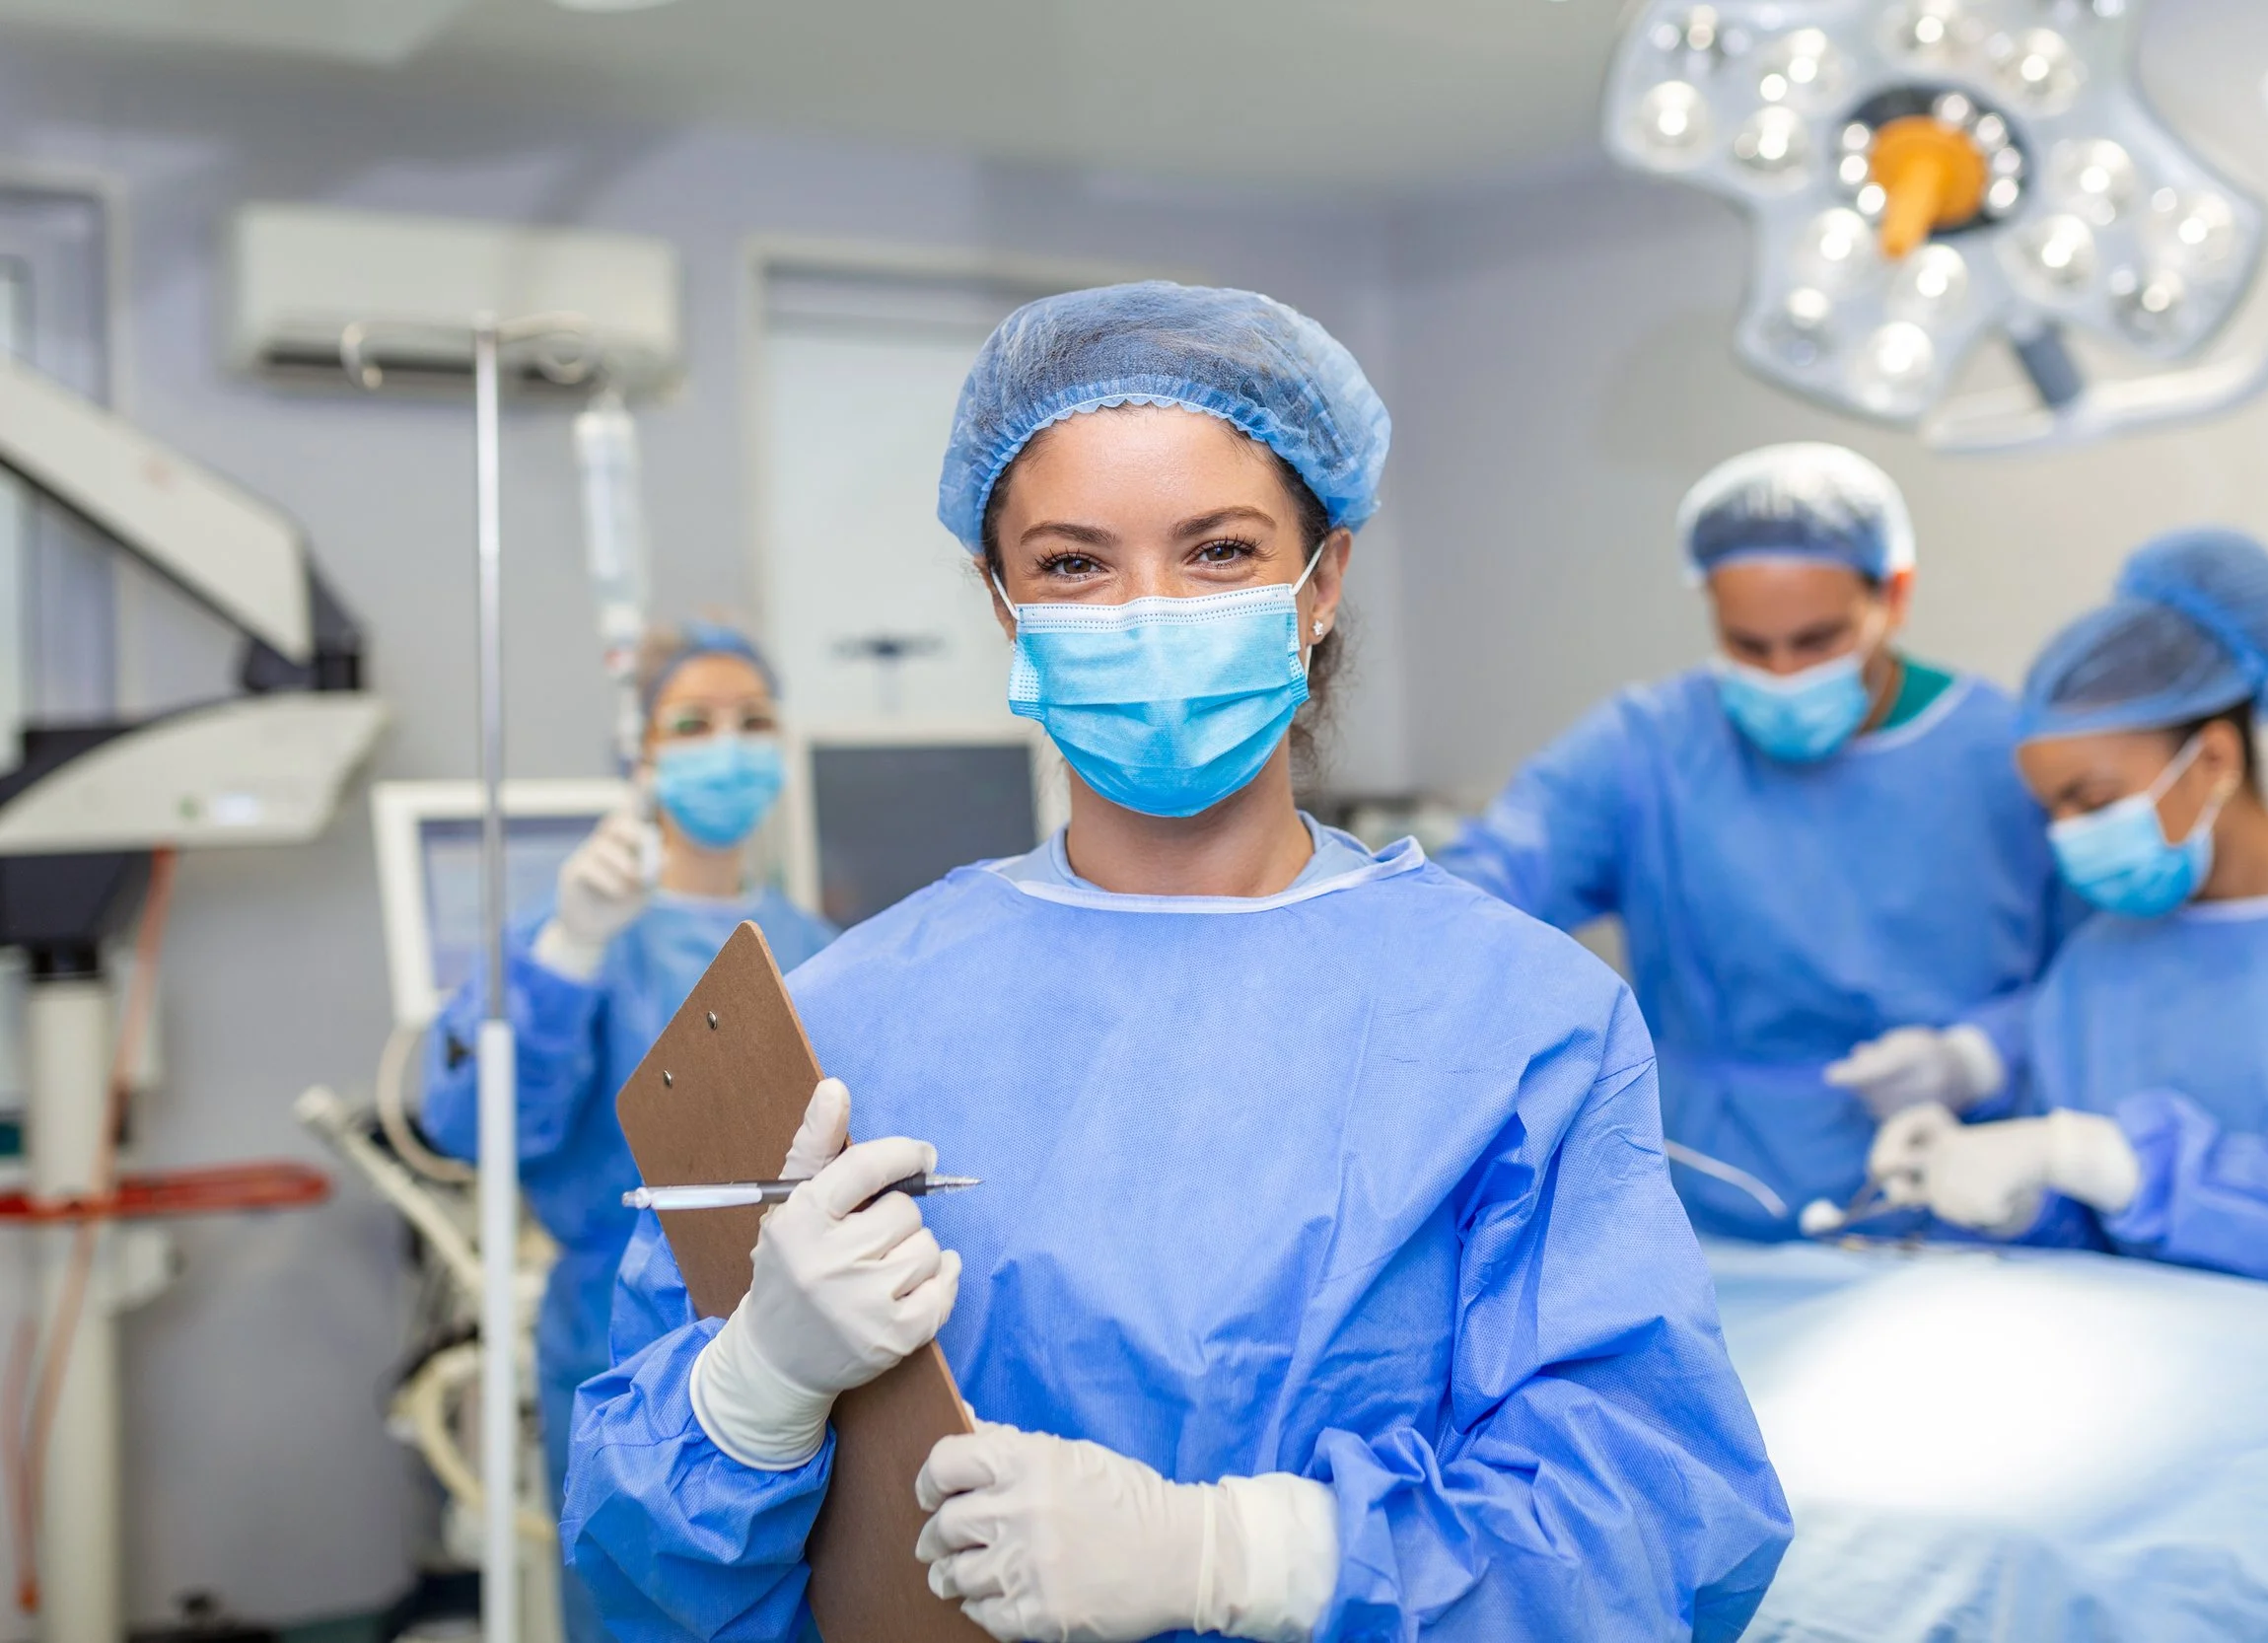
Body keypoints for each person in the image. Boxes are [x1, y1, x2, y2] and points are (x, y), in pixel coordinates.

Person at [562, 282, 1790, 1643]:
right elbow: (636, 1579)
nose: (1148, 612)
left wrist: (1239, 1556)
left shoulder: (1522, 1022)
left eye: (1217, 550)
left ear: (1320, 584)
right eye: (1075, 563)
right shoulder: (842, 1016)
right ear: (1002, 598)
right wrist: (750, 1395)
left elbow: (1658, 1527)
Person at [1441, 444, 2069, 1239]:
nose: (1781, 674)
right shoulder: (1649, 748)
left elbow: (2100, 974)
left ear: (1894, 596)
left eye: (1817, 642)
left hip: (1957, 1194)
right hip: (1709, 1198)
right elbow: (1476, 896)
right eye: (1748, 645)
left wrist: (1976, 1054)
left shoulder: (2006, 755)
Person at [1869, 530, 2268, 1308]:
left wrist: (2095, 1154)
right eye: (2052, 808)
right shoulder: (2100, 963)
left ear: (2214, 760)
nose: (2069, 834)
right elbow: (2106, 1239)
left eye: (2094, 798)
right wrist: (2021, 1202)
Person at [423, 622, 837, 1641]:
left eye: (754, 721)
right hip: (620, 1341)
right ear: (639, 755)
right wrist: (569, 950)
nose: (726, 745)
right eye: (692, 723)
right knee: (639, 1605)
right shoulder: (575, 930)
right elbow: (468, 1125)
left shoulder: (817, 947)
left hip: (800, 1333)